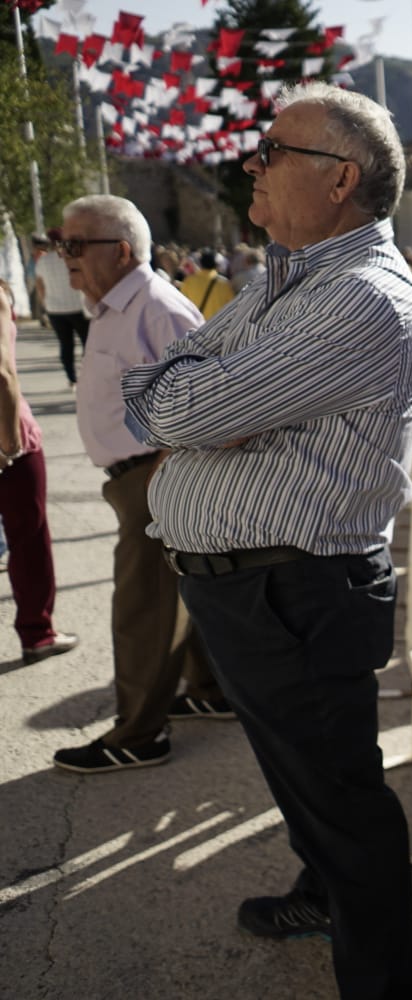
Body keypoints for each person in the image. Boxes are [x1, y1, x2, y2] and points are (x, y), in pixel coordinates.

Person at [119, 82, 412, 998]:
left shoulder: (359, 299)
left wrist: (203, 405)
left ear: (340, 178)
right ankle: (320, 895)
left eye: (273, 151)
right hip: (259, 589)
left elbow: (179, 407)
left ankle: (381, 981)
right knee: (308, 784)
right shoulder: (289, 277)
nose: (251, 164)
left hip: (295, 591)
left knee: (341, 803)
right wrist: (202, 403)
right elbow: (160, 395)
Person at [52, 195, 225, 775]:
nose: (64, 255)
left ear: (122, 251)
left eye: (76, 244)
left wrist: (166, 476)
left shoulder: (156, 308)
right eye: (62, 243)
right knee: (174, 597)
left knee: (142, 609)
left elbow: (206, 403)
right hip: (138, 476)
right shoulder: (115, 306)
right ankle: (212, 690)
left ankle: (139, 735)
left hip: (154, 476)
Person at [0, 279, 77, 665]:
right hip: (7, 436)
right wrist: (9, 442)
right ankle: (37, 633)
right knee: (28, 539)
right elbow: (2, 373)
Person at [31, 234, 90, 388]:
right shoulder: (72, 258)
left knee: (65, 344)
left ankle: (72, 379)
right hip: (77, 307)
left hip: (55, 309)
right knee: (87, 343)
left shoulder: (42, 261)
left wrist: (45, 305)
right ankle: (88, 374)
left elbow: (40, 286)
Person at [177, 249, 235, 320]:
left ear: (201, 264)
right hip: (219, 324)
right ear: (215, 264)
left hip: (198, 324)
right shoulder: (224, 284)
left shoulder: (189, 281)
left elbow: (183, 303)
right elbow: (232, 307)